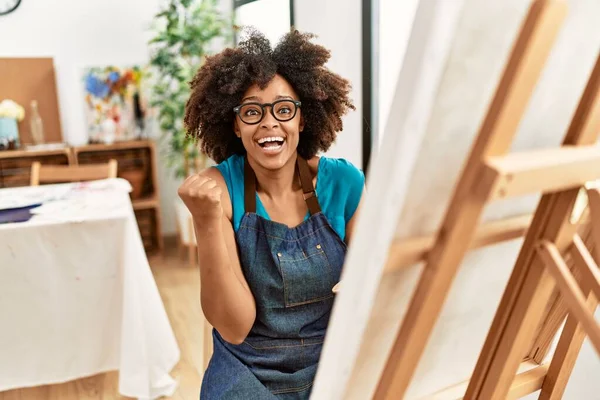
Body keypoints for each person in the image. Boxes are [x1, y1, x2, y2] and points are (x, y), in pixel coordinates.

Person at [178, 28, 366, 399]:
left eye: (283, 109)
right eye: (251, 112)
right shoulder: (219, 192)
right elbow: (235, 327)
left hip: (333, 359)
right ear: (234, 124)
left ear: (303, 118)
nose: (268, 123)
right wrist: (206, 222)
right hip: (249, 370)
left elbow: (368, 293)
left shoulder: (343, 183)